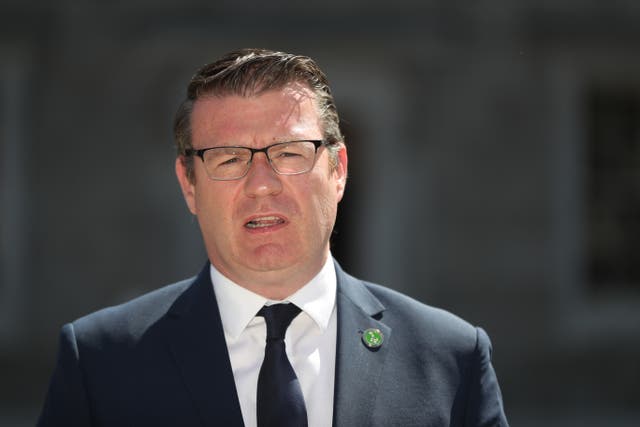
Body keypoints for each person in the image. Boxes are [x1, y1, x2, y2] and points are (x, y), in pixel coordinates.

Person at [38, 48, 509, 427]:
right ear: (189, 185)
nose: (261, 183)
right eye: (227, 159)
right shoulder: (100, 366)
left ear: (339, 170)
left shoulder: (451, 359)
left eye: (289, 153)